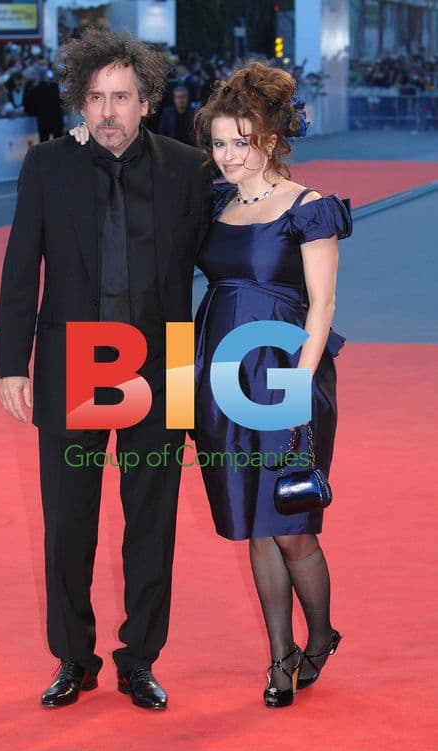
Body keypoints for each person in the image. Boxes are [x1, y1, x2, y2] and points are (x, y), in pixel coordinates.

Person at [0, 27, 212, 711]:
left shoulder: (188, 168)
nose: (109, 111)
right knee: (68, 522)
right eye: (96, 97)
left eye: (122, 96)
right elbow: (19, 268)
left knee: (153, 522)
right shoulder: (49, 167)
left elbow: (229, 259)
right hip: (73, 363)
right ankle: (73, 657)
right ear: (79, 103)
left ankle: (140, 658)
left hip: (161, 363)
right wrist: (11, 362)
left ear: (146, 100)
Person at [193, 62, 352, 707]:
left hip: (285, 373)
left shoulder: (309, 209)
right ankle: (279, 659)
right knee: (253, 524)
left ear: (272, 138)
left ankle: (320, 640)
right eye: (219, 142)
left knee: (291, 526)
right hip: (220, 374)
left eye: (241, 141)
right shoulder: (213, 201)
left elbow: (323, 306)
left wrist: (298, 384)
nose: (228, 155)